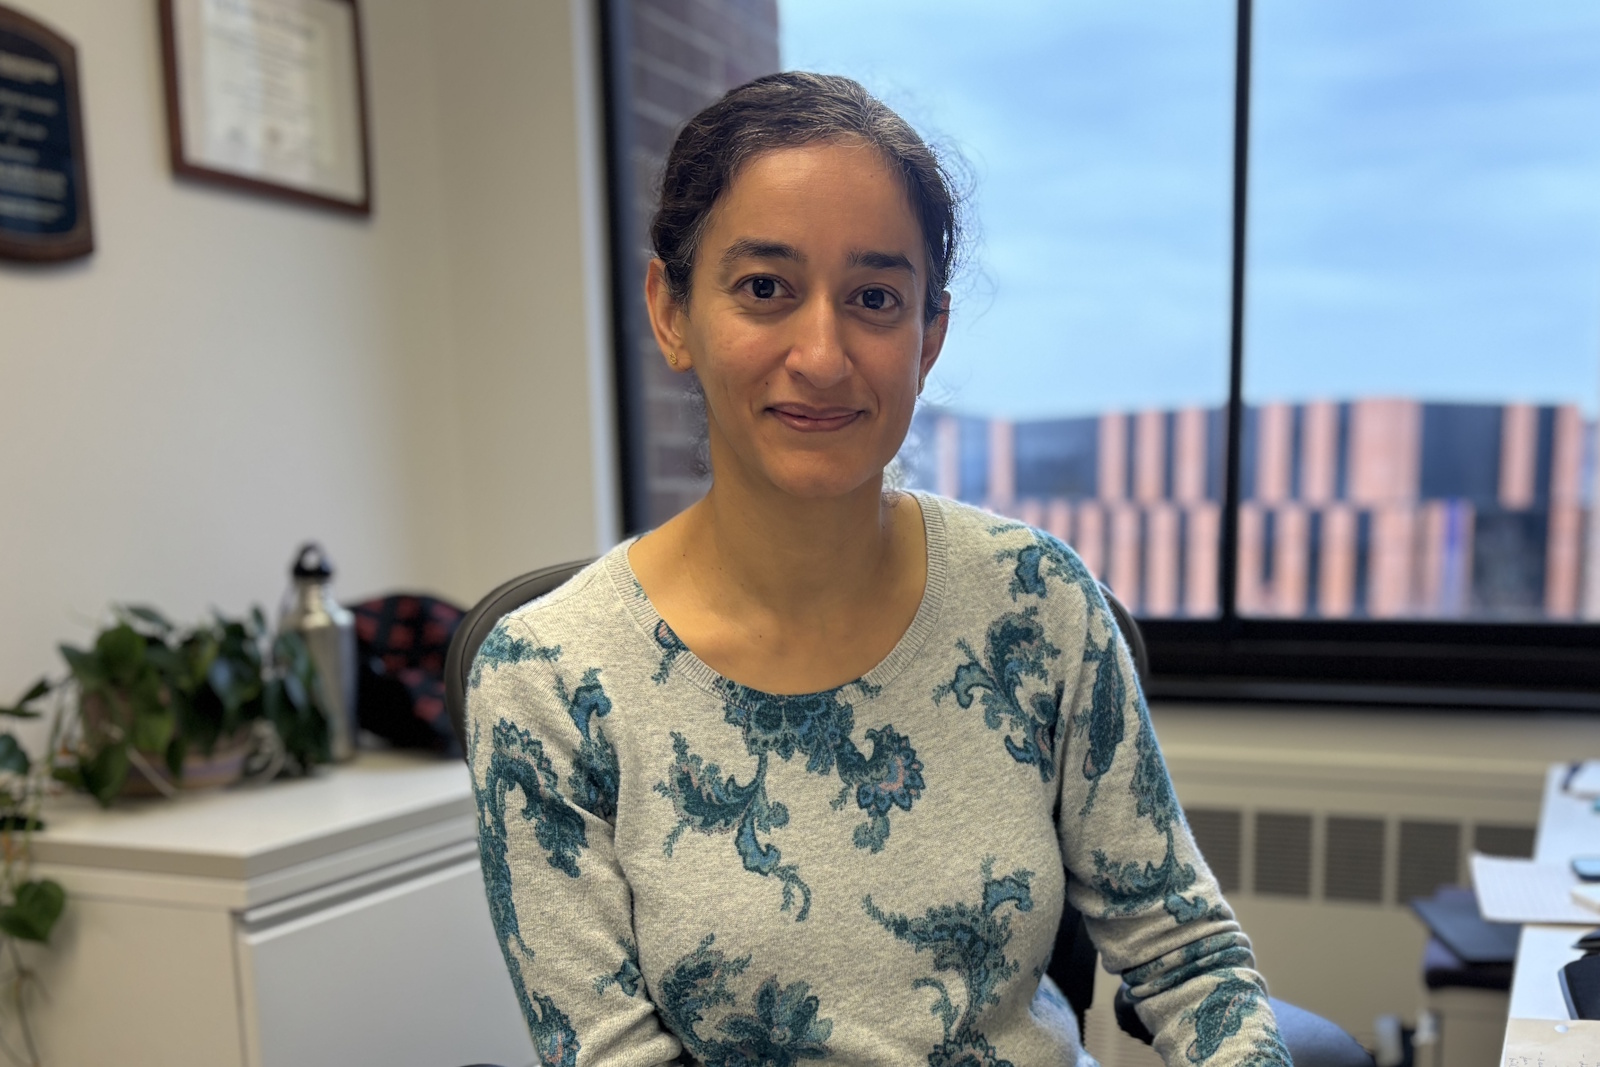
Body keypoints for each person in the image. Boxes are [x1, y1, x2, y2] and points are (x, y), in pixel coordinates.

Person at [467, 72, 1288, 1067]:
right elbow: (607, 1051)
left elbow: (1189, 954)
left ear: (927, 334)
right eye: (764, 287)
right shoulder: (546, 677)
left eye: (872, 298)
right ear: (671, 310)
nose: (821, 353)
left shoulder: (1035, 603)